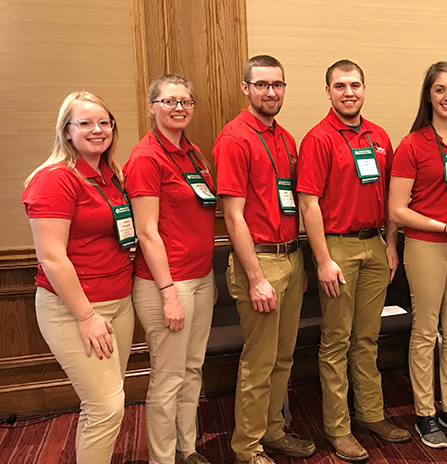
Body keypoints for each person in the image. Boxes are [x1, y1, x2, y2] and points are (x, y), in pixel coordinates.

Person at [297, 59, 411, 462]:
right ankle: (338, 429)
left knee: (367, 339)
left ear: (365, 89)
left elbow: (392, 200)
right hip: (338, 249)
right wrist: (323, 259)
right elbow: (308, 204)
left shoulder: (380, 136)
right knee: (336, 342)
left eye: (355, 85)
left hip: (376, 246)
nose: (349, 92)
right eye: (340, 85)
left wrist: (392, 244)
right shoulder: (318, 138)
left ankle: (371, 415)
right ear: (328, 91)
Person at [23, 91, 135, 464]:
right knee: (105, 407)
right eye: (85, 123)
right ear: (66, 131)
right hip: (77, 309)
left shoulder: (110, 175)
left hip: (119, 301)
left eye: (104, 122)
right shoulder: (54, 179)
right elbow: (52, 258)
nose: (97, 130)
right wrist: (86, 316)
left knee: (110, 400)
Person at [213, 55, 315, 464]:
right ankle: (247, 447)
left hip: (290, 258)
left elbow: (289, 205)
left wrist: (300, 263)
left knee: (283, 357)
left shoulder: (285, 139)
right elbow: (232, 216)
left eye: (277, 85)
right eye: (261, 85)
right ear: (246, 88)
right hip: (260, 263)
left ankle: (274, 432)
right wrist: (256, 277)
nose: (270, 92)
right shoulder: (235, 138)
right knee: (259, 363)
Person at [388, 61, 447, 448]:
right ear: (429, 95)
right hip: (427, 246)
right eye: (441, 90)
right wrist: (443, 227)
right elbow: (397, 209)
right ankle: (425, 412)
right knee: (426, 331)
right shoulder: (413, 144)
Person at [124, 74, 216, 464]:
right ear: (152, 107)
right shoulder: (146, 157)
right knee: (167, 378)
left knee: (192, 370)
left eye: (186, 102)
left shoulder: (193, 153)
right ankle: (162, 459)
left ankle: (187, 448)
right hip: (168, 284)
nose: (179, 108)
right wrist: (167, 294)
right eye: (170, 101)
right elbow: (146, 231)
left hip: (202, 277)